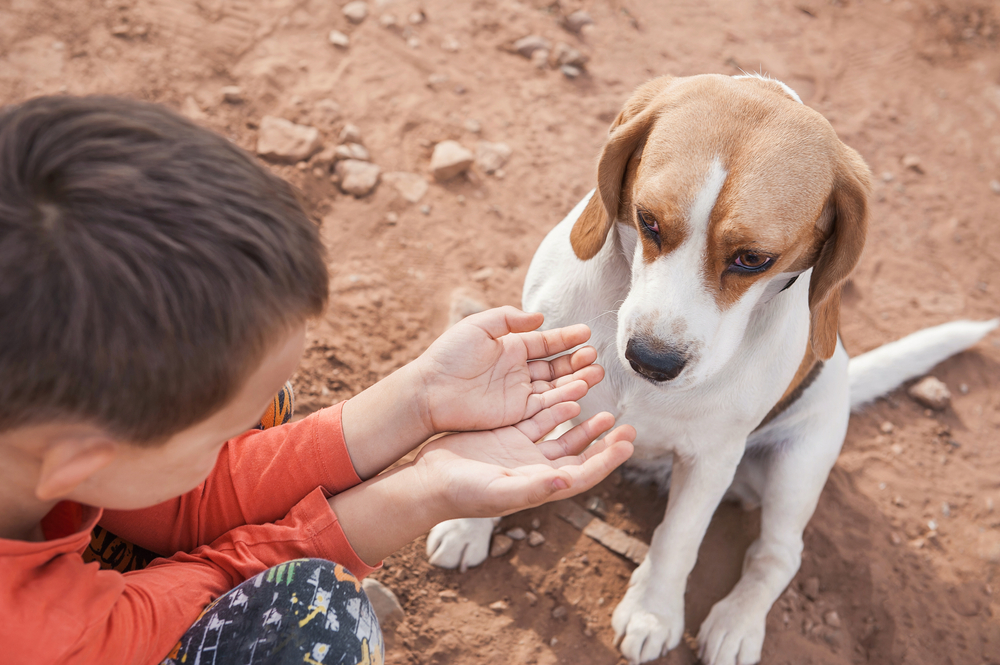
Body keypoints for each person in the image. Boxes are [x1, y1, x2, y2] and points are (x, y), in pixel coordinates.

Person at [0, 95, 636, 665]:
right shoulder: (41, 634)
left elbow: (188, 500)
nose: (224, 445)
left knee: (239, 379)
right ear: (77, 462)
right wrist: (423, 493)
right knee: (314, 624)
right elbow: (213, 580)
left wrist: (419, 400)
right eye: (212, 441)